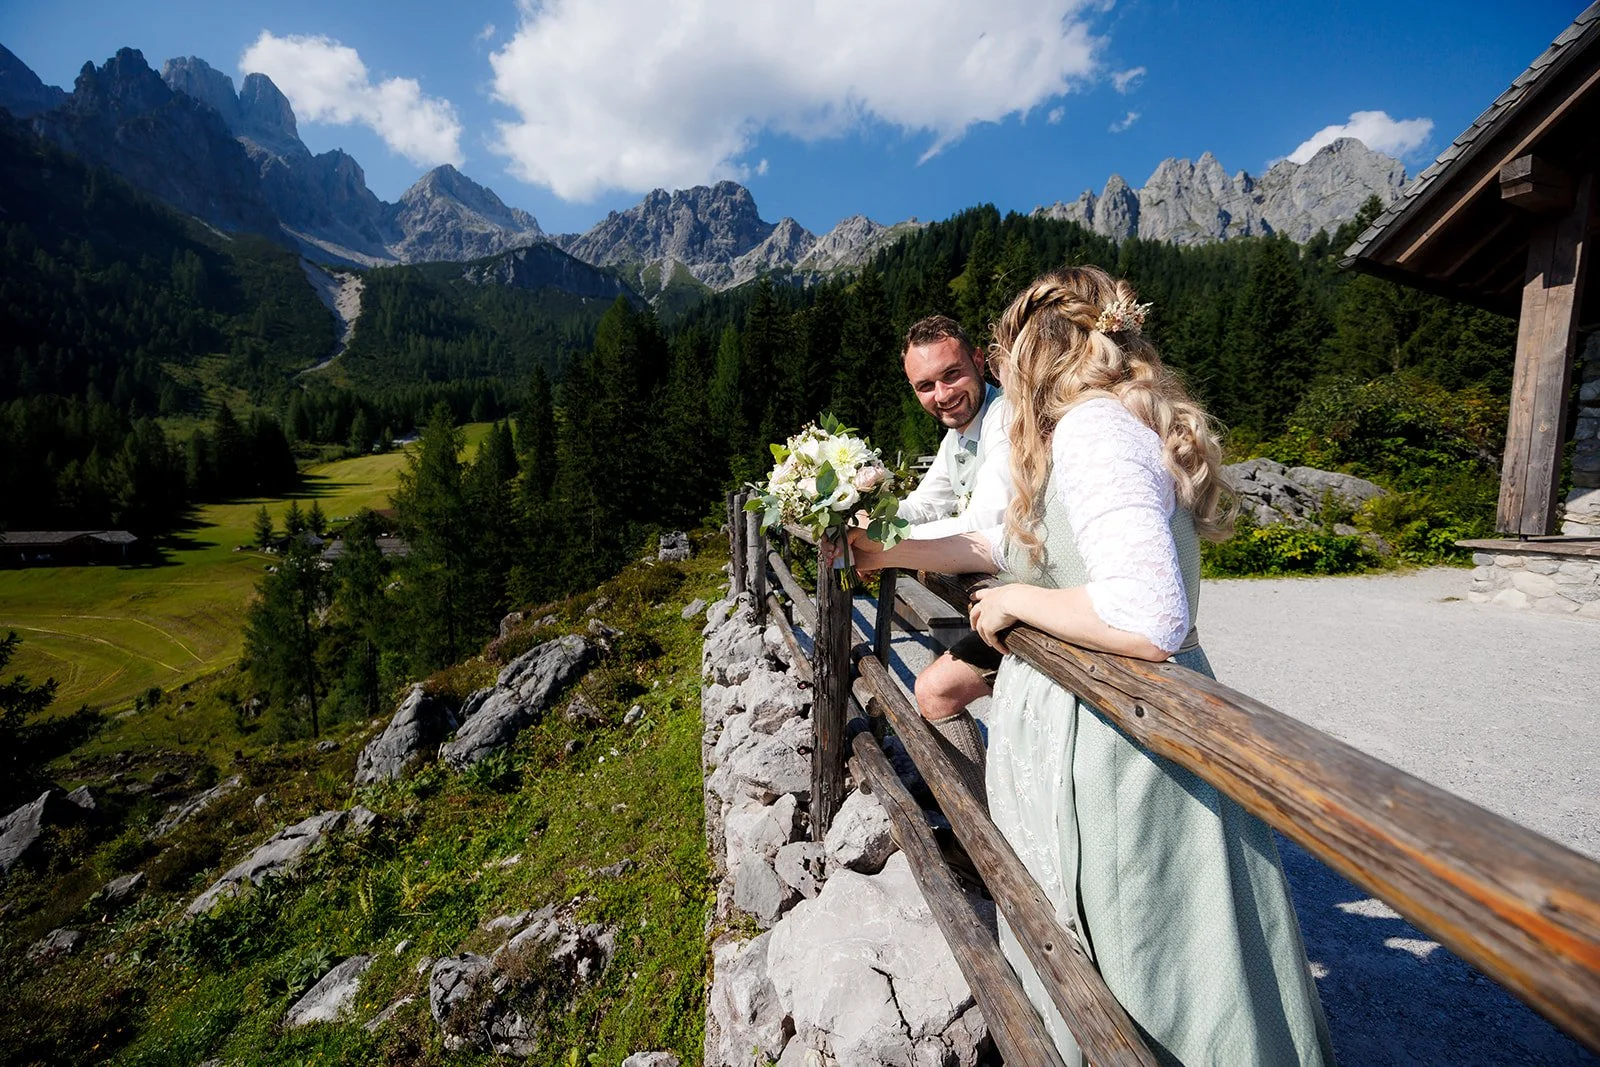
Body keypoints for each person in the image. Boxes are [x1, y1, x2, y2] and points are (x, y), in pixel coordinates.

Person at [845, 267, 1335, 1065]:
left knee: (1148, 950)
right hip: (1095, 720)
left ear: (1035, 351)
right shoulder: (1093, 423)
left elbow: (1147, 613)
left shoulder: (1094, 430)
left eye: (1005, 354)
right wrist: (883, 550)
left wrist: (1015, 602)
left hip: (1118, 738)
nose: (1005, 377)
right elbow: (996, 541)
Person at [892, 316, 1013, 798]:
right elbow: (924, 504)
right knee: (934, 690)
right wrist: (863, 515)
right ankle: (981, 819)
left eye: (951, 375)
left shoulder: (1005, 418)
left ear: (979, 361)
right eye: (925, 385)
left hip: (1041, 600)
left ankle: (982, 821)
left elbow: (986, 518)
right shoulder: (958, 434)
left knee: (937, 690)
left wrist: (888, 545)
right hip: (1008, 603)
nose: (941, 395)